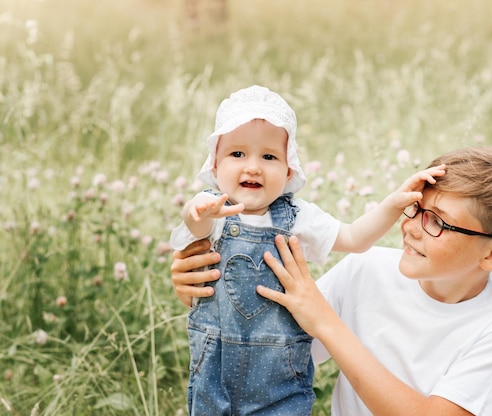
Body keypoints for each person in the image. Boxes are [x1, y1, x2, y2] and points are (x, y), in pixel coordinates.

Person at [171, 146, 492, 416]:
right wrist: (205, 289)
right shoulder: (366, 268)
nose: (411, 227)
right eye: (415, 208)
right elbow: (268, 358)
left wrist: (326, 323)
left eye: (437, 221)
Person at [170, 85, 446, 415]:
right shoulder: (212, 208)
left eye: (269, 156)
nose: (254, 167)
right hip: (215, 366)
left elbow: (354, 238)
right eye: (237, 154)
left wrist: (393, 203)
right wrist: (196, 213)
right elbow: (196, 225)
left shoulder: (298, 217)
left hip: (279, 373)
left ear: (289, 171)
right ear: (215, 166)